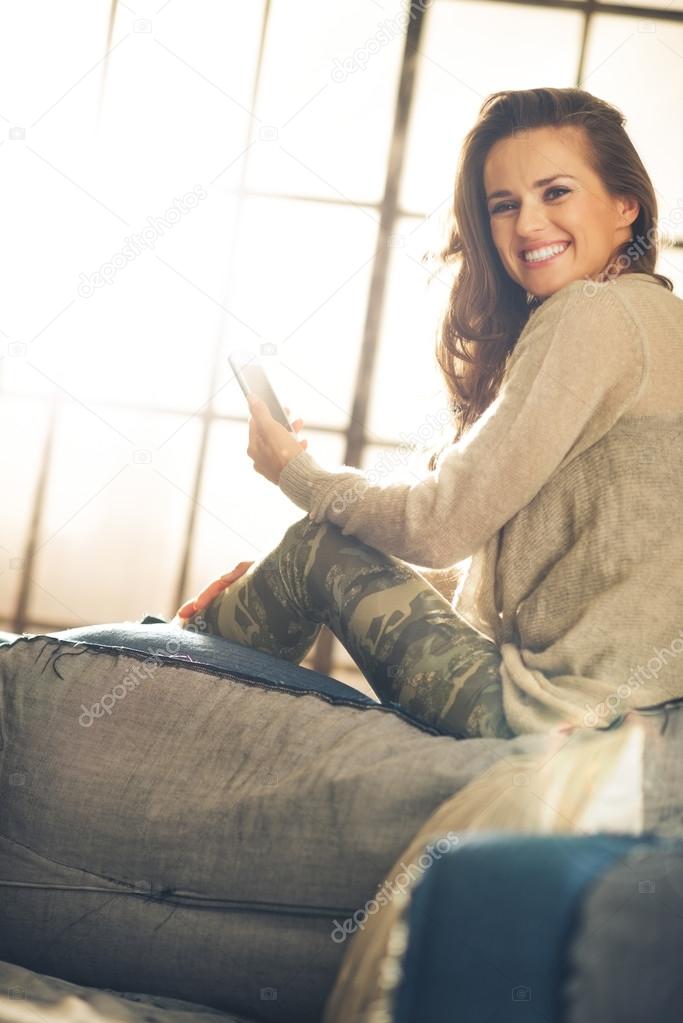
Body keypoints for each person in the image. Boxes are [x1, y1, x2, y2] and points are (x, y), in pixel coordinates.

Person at [174, 86, 683, 741]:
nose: (527, 225)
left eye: (554, 192)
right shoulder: (659, 322)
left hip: (556, 723)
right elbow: (508, 564)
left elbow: (438, 525)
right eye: (504, 205)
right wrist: (296, 585)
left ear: (624, 207)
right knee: (310, 564)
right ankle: (199, 639)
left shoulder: (590, 314)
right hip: (640, 716)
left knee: (316, 546)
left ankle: (165, 670)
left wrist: (294, 472)